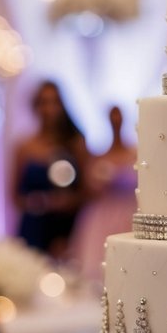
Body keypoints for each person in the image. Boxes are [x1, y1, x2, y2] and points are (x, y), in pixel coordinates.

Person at [13, 80, 88, 257]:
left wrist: (67, 201)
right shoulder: (24, 147)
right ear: (35, 106)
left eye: (54, 102)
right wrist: (40, 202)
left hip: (65, 227)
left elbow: (86, 191)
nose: (49, 109)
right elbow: (15, 196)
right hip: (33, 226)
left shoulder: (75, 143)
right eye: (43, 102)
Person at [70, 104, 137, 283]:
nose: (115, 121)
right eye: (112, 117)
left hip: (129, 213)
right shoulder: (98, 156)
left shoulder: (136, 153)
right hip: (101, 216)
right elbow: (86, 191)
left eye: (118, 116)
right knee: (98, 264)